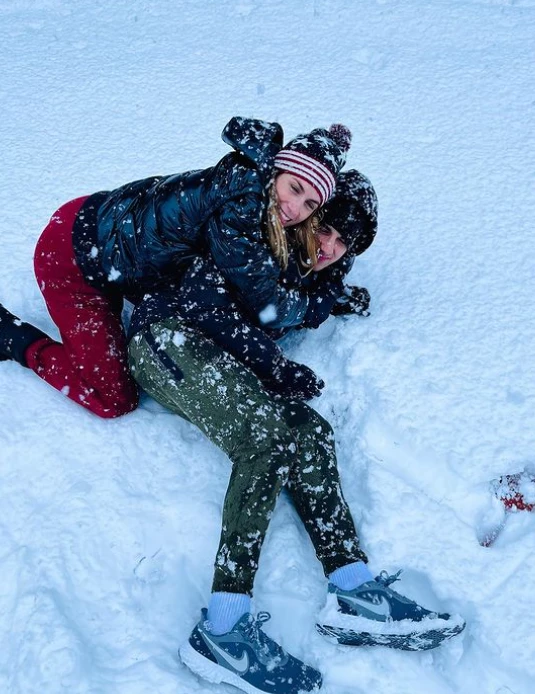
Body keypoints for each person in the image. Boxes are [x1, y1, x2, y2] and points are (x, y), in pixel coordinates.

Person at [127, 172, 465, 694]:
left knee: (310, 428)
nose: (329, 247)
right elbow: (204, 305)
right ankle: (223, 628)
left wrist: (335, 299)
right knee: (264, 438)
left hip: (219, 359)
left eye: (343, 243)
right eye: (324, 230)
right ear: (306, 217)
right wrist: (278, 367)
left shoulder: (309, 278)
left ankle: (354, 591)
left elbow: (295, 303)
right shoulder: (256, 238)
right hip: (166, 338)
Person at [0, 117, 350, 418]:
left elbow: (264, 273)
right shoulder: (240, 210)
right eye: (294, 187)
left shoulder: (253, 188)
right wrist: (313, 306)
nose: (294, 208)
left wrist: (333, 282)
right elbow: (266, 304)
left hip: (105, 228)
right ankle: (11, 336)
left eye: (309, 203)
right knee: (113, 398)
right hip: (72, 257)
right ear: (277, 170)